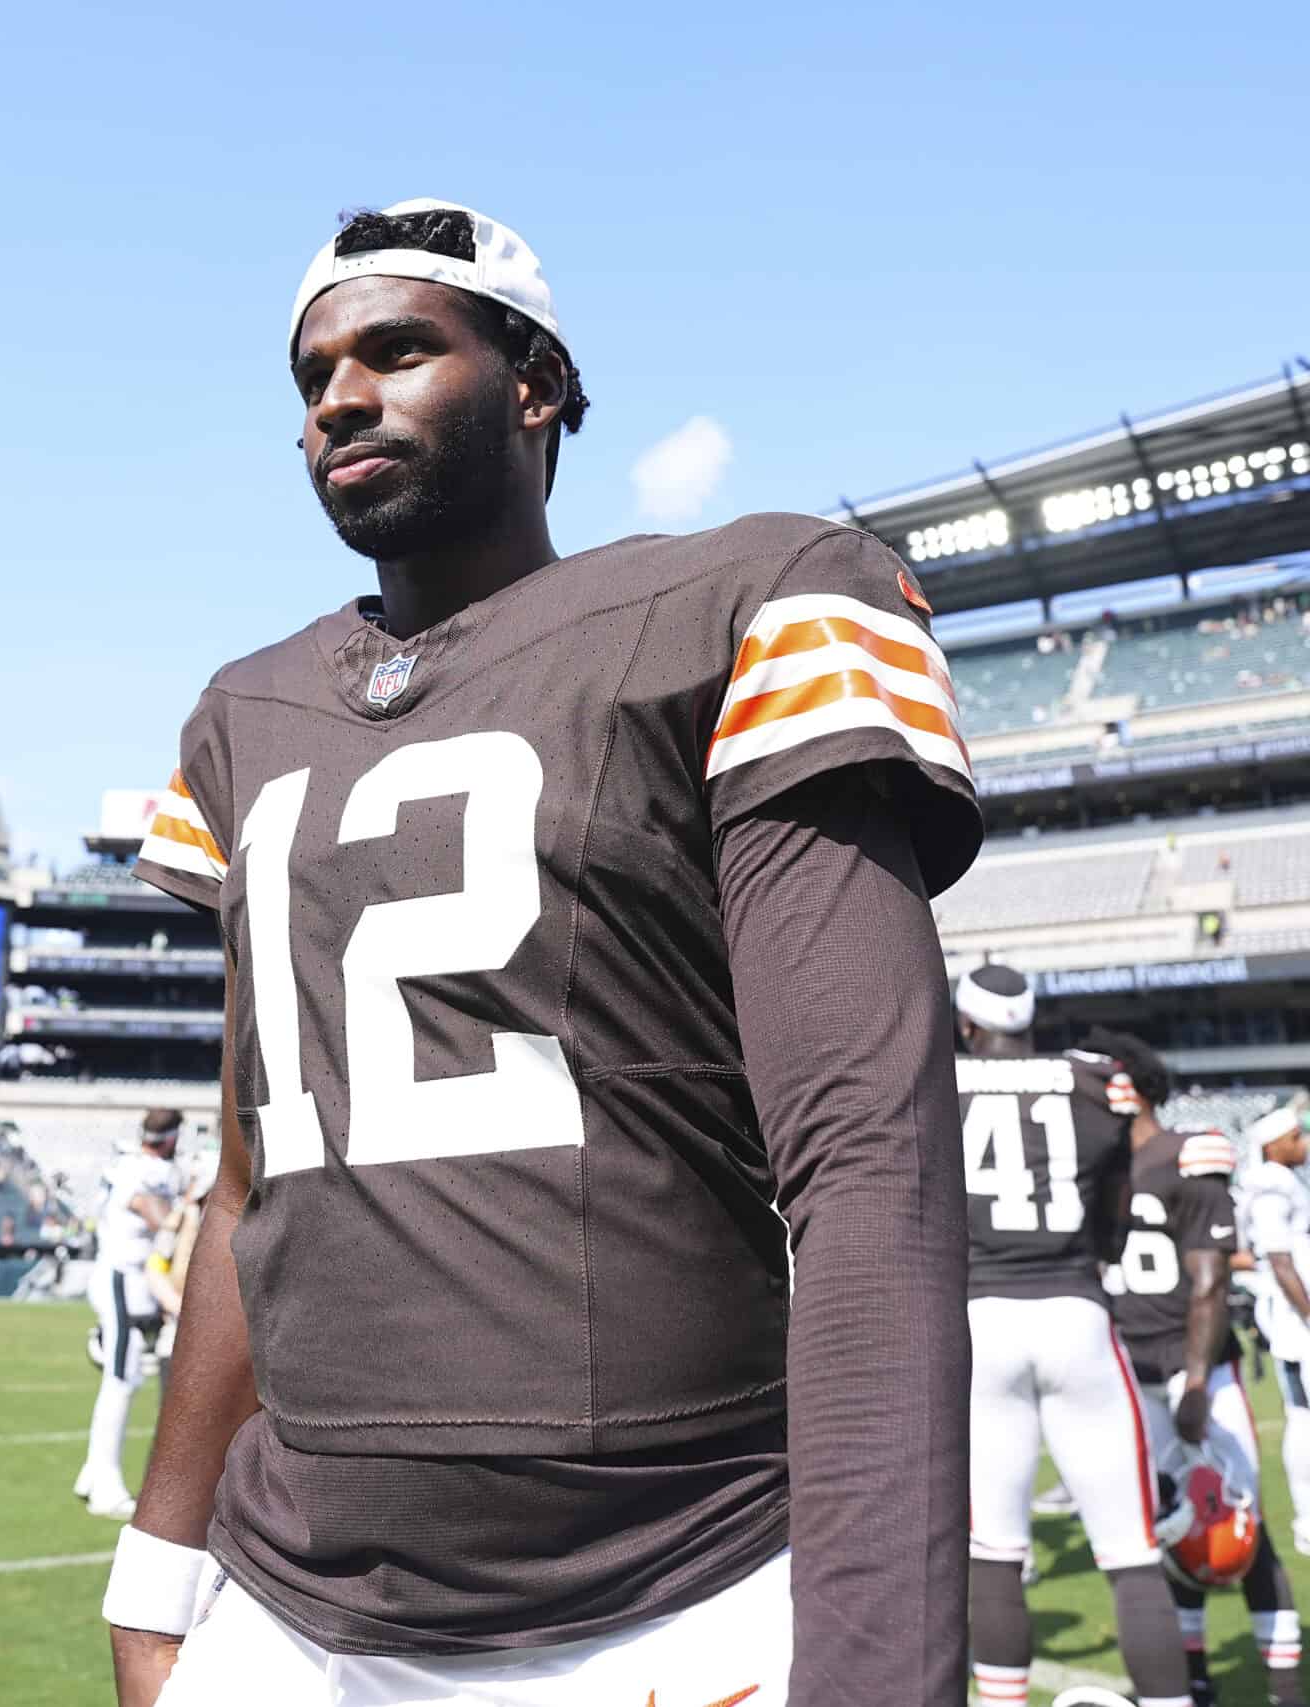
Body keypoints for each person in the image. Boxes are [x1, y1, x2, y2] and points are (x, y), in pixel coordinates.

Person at [114, 200, 982, 1707]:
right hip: (287, 1607)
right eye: (313, 371)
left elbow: (866, 1159)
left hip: (669, 1595)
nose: (338, 396)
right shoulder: (245, 715)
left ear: (536, 385)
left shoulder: (745, 600)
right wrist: (158, 1563)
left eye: (396, 349)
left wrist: (879, 1665)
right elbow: (258, 1173)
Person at [954, 970, 1193, 1707]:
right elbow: (1117, 1209)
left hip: (982, 1316)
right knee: (1131, 1553)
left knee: (994, 1552)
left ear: (966, 1025)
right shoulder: (1094, 1080)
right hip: (1076, 1312)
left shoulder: (941, 1082)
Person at [1095, 1028, 1302, 1706]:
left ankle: (1284, 1685)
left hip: (1197, 1371)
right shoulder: (1094, 1167)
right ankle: (1196, 1680)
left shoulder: (1190, 1152)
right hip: (1133, 1373)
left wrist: (1192, 1377)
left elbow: (1210, 1281)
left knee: (1241, 1528)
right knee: (1171, 1528)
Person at [77, 1110, 182, 1521]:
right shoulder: (142, 1171)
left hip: (135, 1285)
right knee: (120, 1381)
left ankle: (91, 1472)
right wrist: (189, 1212)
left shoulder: (135, 1163)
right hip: (123, 1279)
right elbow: (155, 1215)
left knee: (129, 1376)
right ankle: (104, 1483)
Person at [1243, 1105, 1310, 1569]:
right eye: (1296, 1137)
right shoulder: (1271, 1185)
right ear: (1273, 1145)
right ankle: (1307, 1520)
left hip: (1298, 1319)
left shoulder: (1288, 1181)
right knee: (1303, 1420)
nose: (1303, 1143)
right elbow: (1281, 1260)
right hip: (1295, 1326)